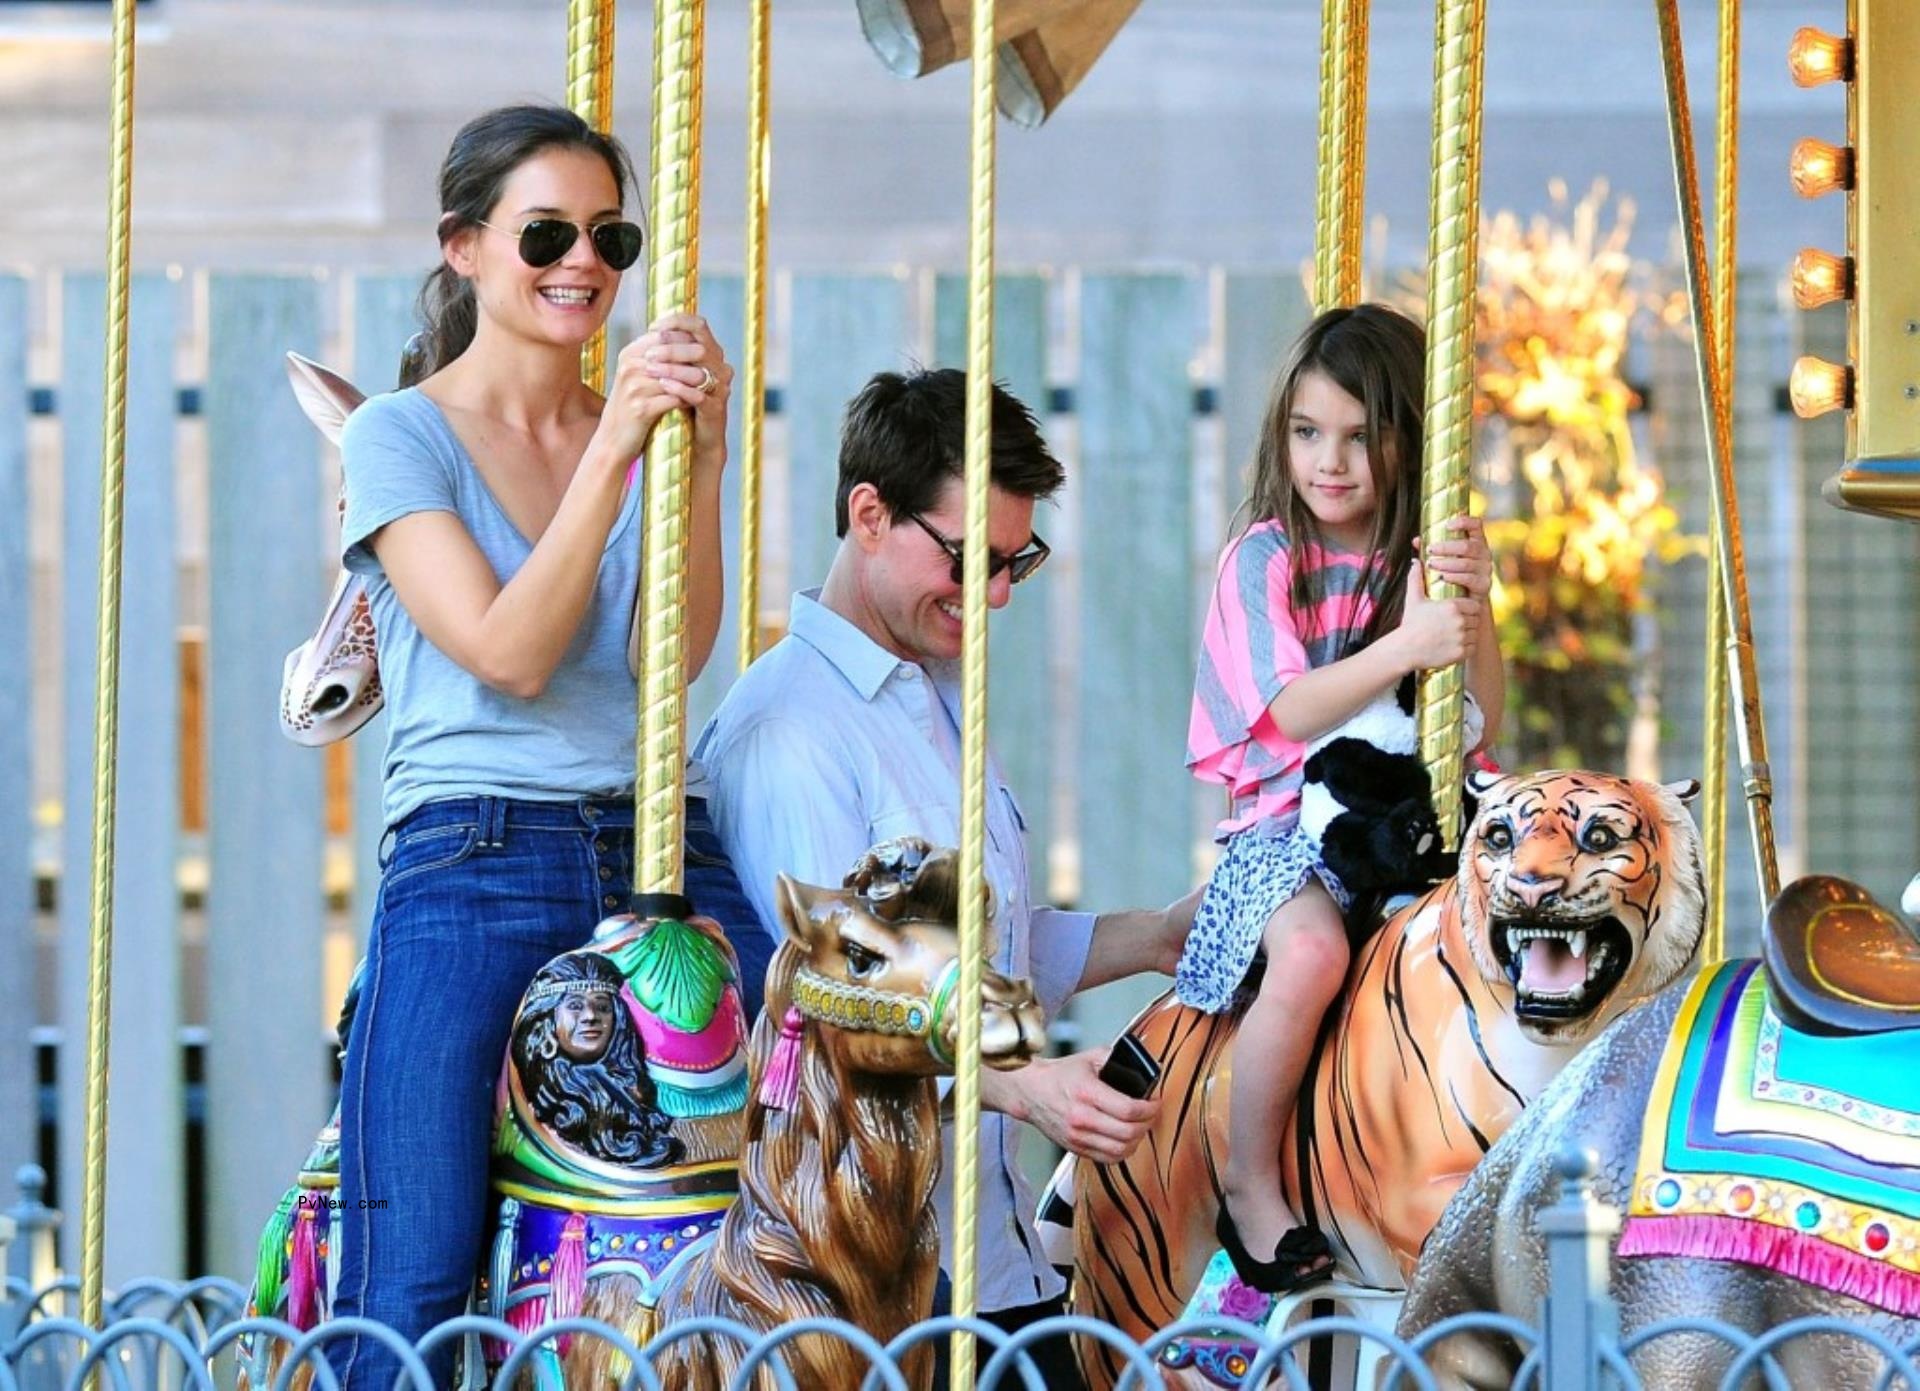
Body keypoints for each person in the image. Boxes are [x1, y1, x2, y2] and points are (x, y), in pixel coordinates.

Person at [324, 103, 770, 1388]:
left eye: (610, 235)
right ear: (463, 246)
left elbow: (664, 663)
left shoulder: (624, 425)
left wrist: (701, 451)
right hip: (479, 843)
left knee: (797, 1176)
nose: (585, 261)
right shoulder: (399, 435)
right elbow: (509, 651)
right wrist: (614, 448)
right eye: (548, 233)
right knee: (412, 1263)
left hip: (657, 832)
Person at [696, 367, 1199, 1388]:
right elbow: (848, 1001)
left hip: (988, 1254)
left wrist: (1156, 932)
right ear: (869, 514)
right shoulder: (787, 732)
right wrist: (1031, 1090)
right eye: (973, 559)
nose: (998, 593)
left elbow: (976, 960)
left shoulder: (929, 694)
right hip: (867, 1282)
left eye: (1019, 562)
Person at [1176, 303, 1504, 1308]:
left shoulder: (1418, 561)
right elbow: (1284, 707)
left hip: (1398, 831)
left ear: (1410, 438)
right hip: (1281, 836)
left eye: (1364, 436)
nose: (1333, 460)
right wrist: (1404, 646)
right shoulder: (1263, 557)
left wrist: (1471, 611)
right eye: (1310, 432)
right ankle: (1248, 1181)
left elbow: (1481, 715)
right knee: (1315, 952)